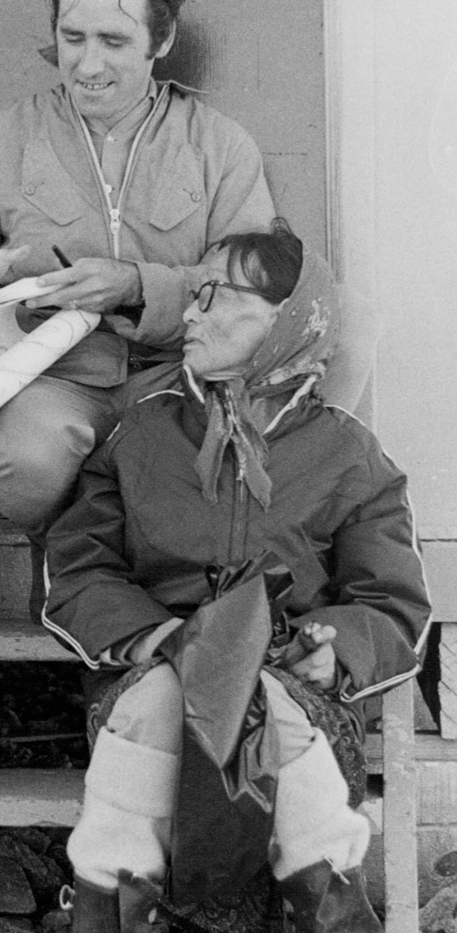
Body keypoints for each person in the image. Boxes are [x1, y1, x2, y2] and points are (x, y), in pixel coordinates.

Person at [42, 221, 432, 932]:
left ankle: (329, 907)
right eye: (194, 294)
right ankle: (108, 904)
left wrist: (333, 646)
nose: (191, 313)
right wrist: (151, 637)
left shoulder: (348, 453)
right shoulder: (144, 432)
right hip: (160, 665)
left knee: (281, 709)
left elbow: (392, 601)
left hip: (291, 677)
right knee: (154, 703)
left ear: (287, 320)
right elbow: (80, 563)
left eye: (216, 296)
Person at [0, 0, 275, 611]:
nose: (88, 64)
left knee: (194, 470)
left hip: (171, 379)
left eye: (114, 41)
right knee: (25, 470)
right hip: (46, 383)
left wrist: (139, 286)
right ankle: (95, 559)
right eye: (73, 38)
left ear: (161, 41)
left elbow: (251, 291)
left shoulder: (221, 146)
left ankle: (94, 582)